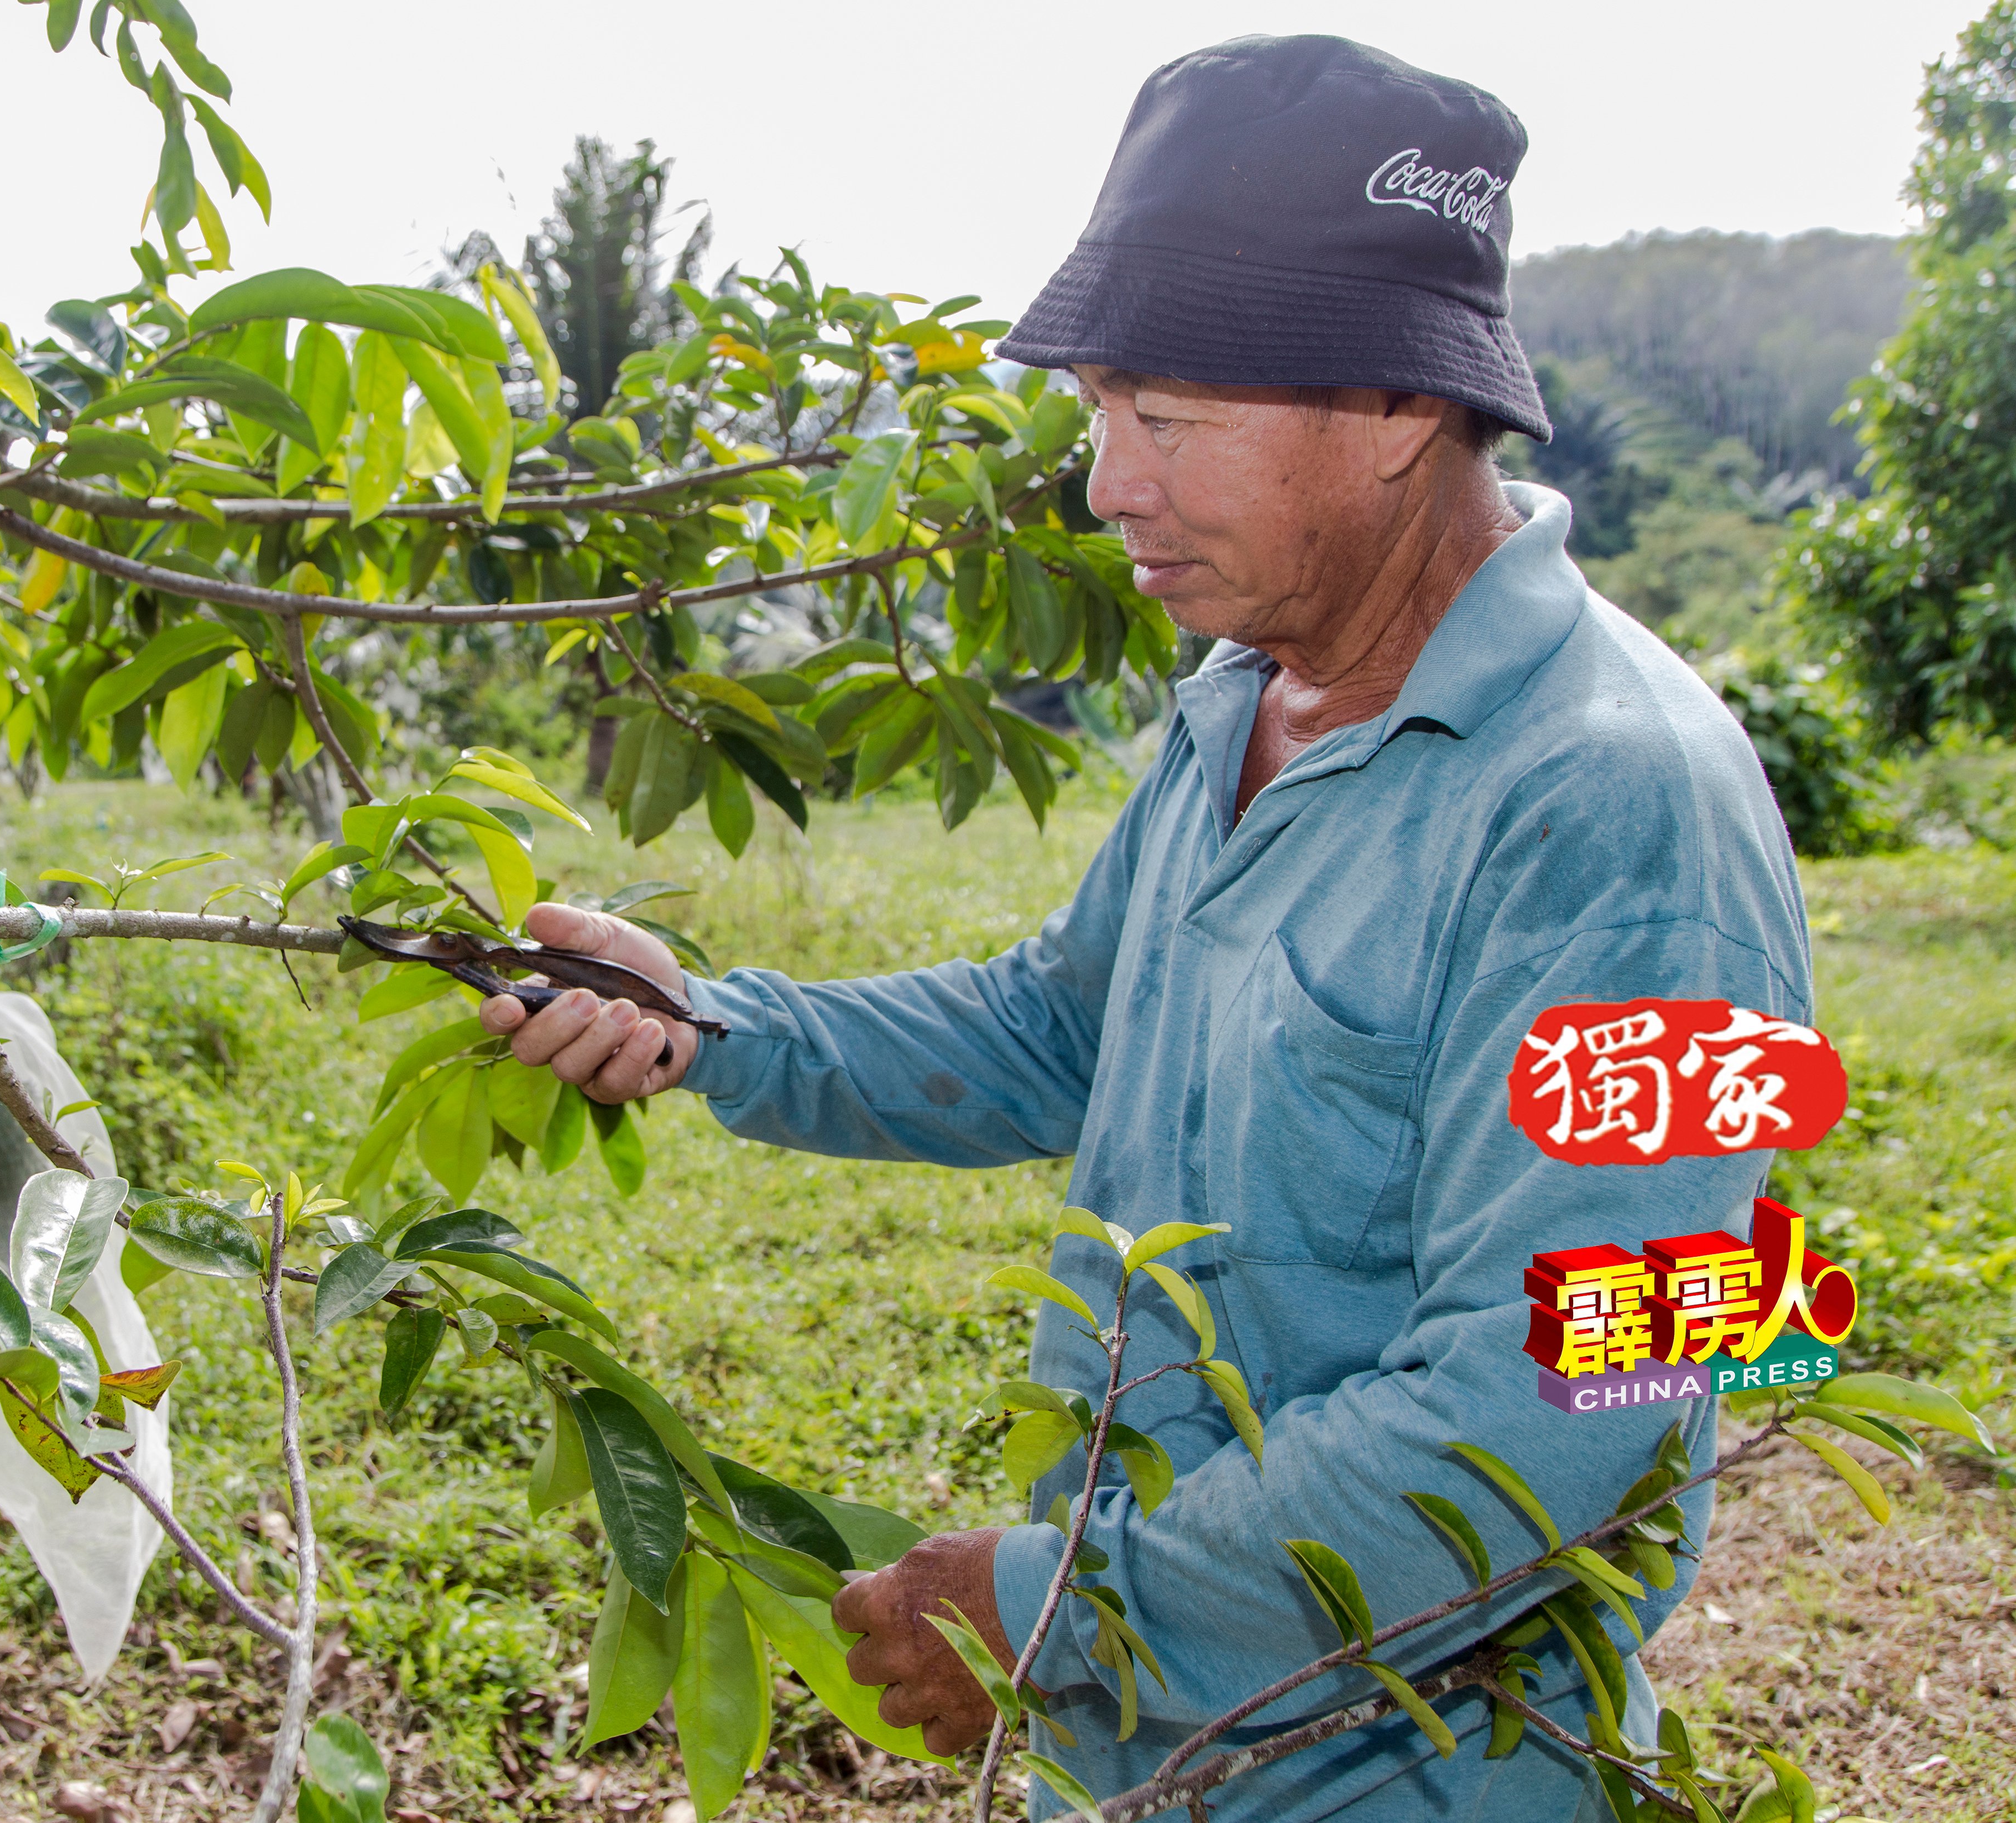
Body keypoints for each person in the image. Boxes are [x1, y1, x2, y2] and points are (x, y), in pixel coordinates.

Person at [480, 33, 1809, 1823]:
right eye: (1102, 407)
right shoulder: (1242, 697)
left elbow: (1579, 1382)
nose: (1107, 482)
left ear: (1398, 410)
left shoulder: (1616, 801)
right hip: (1152, 1744)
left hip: (1416, 1763)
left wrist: (1058, 1608)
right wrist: (712, 1023)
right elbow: (1063, 1024)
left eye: (1166, 417)